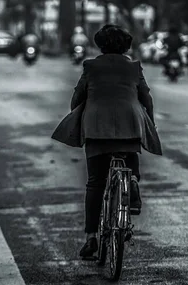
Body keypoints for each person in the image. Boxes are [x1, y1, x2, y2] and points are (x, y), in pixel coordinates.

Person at [51, 24, 163, 258]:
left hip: (97, 128)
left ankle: (91, 238)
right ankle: (131, 179)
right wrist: (149, 123)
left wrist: (82, 112)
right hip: (130, 125)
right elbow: (147, 100)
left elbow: (76, 100)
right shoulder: (133, 67)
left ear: (100, 45)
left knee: (95, 183)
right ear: (125, 46)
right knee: (130, 155)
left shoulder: (90, 66)